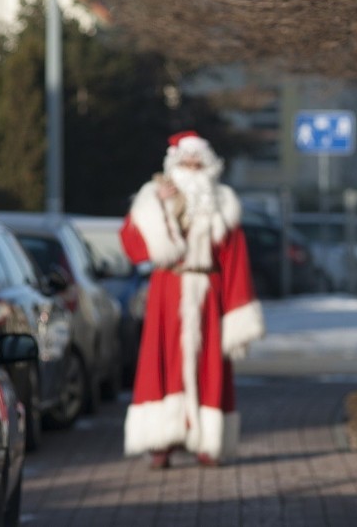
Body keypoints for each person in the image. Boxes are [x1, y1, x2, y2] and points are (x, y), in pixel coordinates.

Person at [119, 130, 265, 469]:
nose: (192, 167)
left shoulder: (224, 202)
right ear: (174, 163)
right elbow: (134, 245)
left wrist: (238, 312)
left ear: (209, 164)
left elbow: (235, 260)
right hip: (167, 290)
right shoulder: (154, 197)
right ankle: (161, 441)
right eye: (185, 161)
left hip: (208, 292)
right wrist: (159, 207)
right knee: (162, 362)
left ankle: (207, 442)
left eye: (197, 161)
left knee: (210, 365)